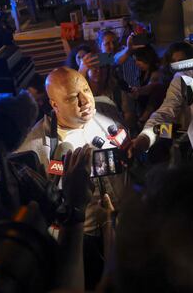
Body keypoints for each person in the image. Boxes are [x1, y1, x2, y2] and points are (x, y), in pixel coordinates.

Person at [15, 67, 127, 288]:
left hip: (122, 222)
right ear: (54, 104)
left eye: (86, 89)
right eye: (72, 97)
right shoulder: (34, 149)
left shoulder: (107, 112)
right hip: (81, 238)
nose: (85, 101)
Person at [130, 45, 165, 128]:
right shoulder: (141, 72)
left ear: (146, 58)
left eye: (139, 60)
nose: (137, 63)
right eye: (135, 61)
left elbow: (151, 86)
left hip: (155, 115)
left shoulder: (157, 72)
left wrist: (138, 90)